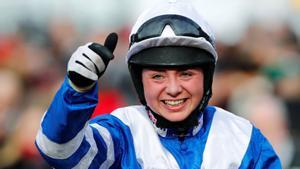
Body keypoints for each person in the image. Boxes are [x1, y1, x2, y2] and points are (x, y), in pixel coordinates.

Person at [35, 1, 281, 168]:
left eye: (186, 74)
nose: (173, 88)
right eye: (158, 76)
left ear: (207, 77)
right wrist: (77, 91)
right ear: (139, 81)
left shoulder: (245, 137)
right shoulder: (122, 132)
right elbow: (58, 150)